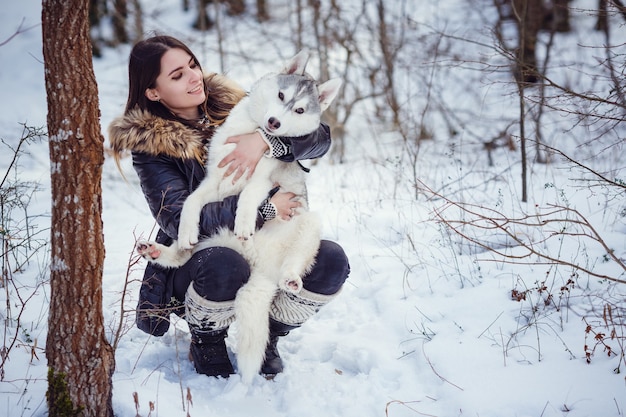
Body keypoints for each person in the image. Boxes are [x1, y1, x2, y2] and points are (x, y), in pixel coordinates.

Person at [107, 35, 350, 379]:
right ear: (153, 92)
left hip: (266, 244)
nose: (193, 77)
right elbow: (178, 219)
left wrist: (267, 141)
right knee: (226, 264)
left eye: (192, 65)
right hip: (200, 255)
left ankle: (268, 334)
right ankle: (207, 339)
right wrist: (263, 208)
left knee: (330, 261)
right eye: (177, 76)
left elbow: (319, 136)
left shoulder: (238, 102)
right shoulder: (151, 147)